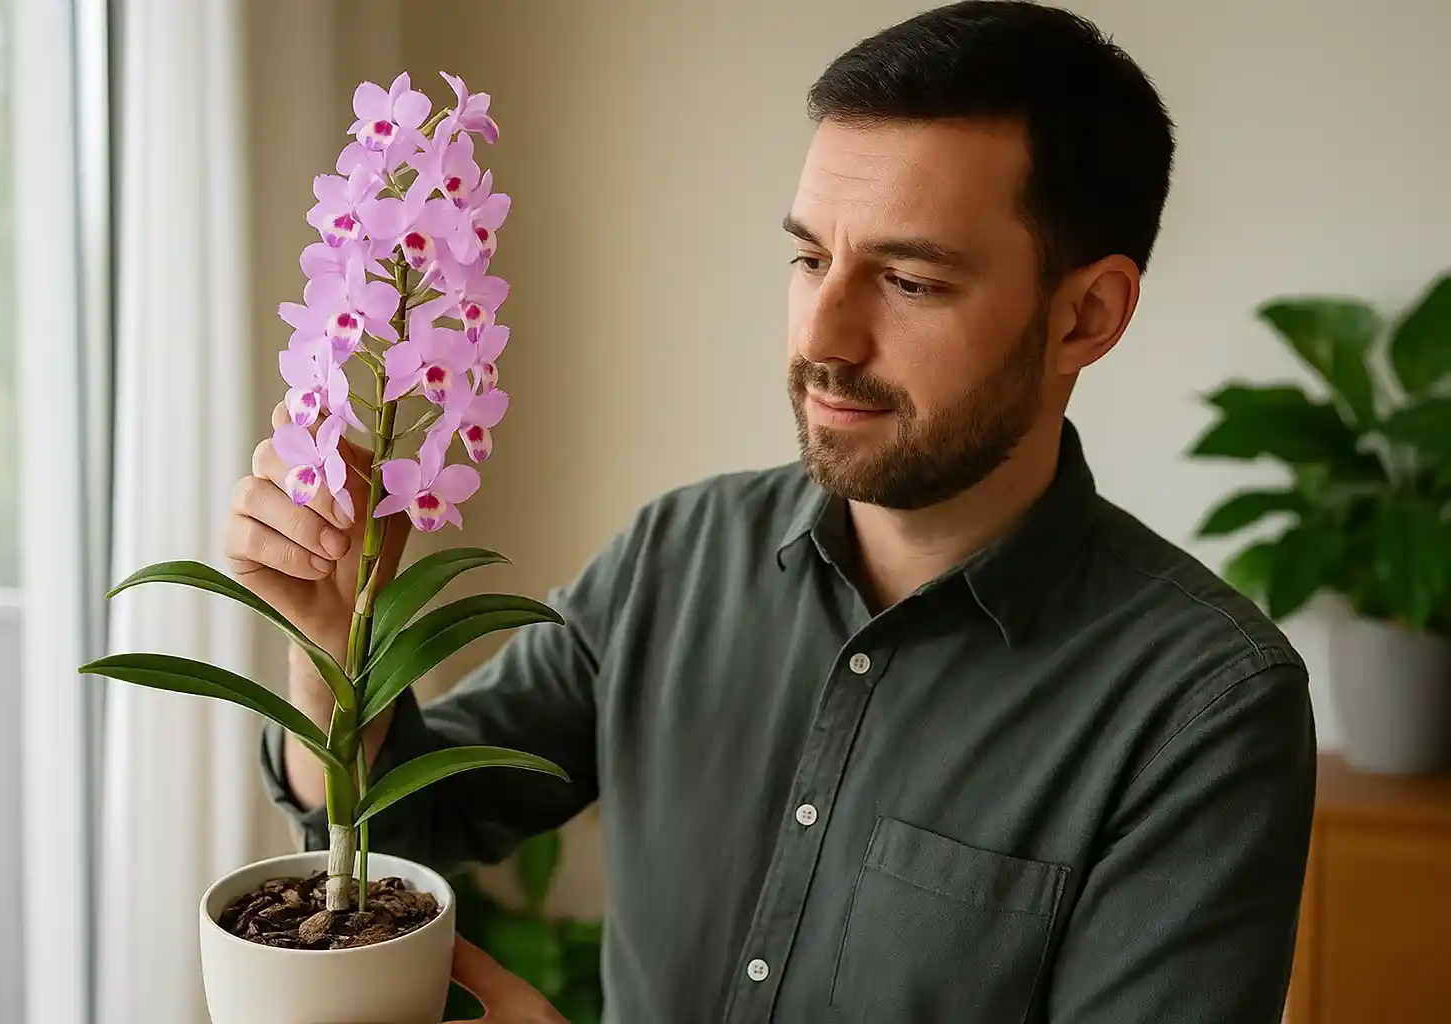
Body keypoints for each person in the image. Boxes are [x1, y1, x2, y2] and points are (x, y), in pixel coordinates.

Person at [225, 3, 1317, 1021]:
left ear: (1086, 315)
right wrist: (332, 635)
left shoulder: (1202, 709)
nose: (825, 338)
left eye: (912, 281)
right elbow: (409, 818)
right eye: (809, 257)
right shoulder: (675, 557)